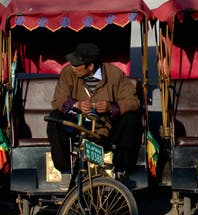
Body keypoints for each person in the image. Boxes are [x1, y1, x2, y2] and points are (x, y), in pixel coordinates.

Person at [47, 42, 142, 189]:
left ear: (90, 66)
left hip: (107, 130)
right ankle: (66, 171)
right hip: (77, 128)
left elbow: (133, 101)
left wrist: (111, 107)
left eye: (77, 64)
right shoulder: (68, 73)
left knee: (131, 119)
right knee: (54, 119)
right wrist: (75, 105)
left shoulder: (115, 75)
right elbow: (58, 100)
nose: (72, 66)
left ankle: (121, 171)